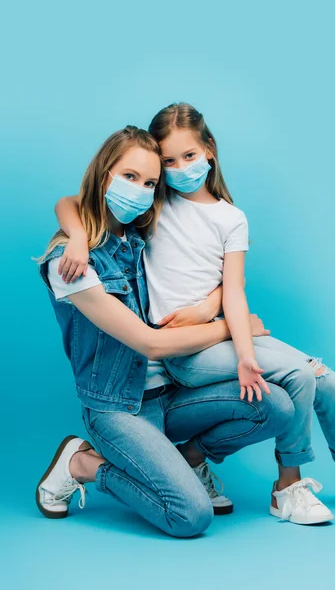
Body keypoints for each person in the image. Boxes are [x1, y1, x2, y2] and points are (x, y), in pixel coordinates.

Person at [54, 104, 335, 525]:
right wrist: (75, 237)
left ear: (209, 151)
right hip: (140, 388)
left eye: (152, 178)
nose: (172, 172)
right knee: (300, 379)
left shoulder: (196, 215)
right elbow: (74, 201)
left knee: (312, 388)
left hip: (179, 379)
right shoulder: (148, 212)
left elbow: (230, 286)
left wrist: (208, 310)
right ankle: (287, 486)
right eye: (164, 164)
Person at [36, 125, 295, 537]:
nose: (140, 190)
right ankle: (81, 463)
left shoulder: (138, 233)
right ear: (104, 174)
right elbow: (149, 342)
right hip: (117, 410)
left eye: (150, 182)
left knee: (276, 405)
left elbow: (67, 202)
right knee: (191, 517)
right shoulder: (69, 266)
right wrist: (230, 327)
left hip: (169, 396)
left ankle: (188, 458)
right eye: (129, 177)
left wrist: (210, 307)